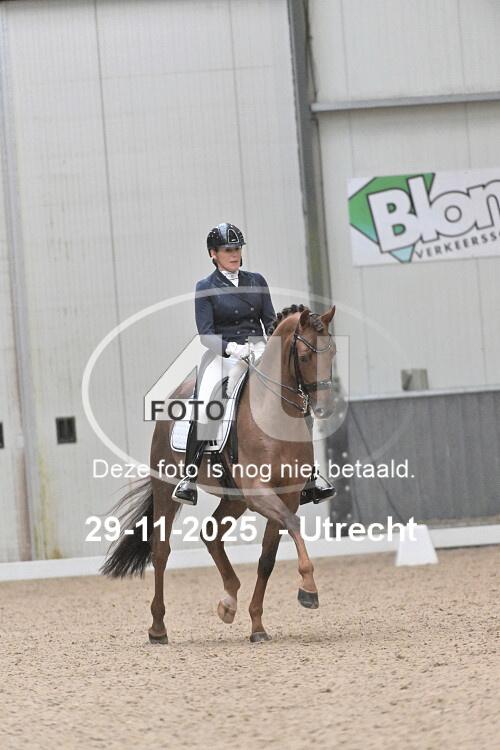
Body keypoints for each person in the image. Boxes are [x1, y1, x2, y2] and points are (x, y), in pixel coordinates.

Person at [172, 222, 335, 506]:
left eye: (237, 249)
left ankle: (310, 474)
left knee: (297, 399)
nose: (234, 254)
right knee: (208, 399)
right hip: (223, 356)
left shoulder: (256, 281)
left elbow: (270, 322)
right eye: (227, 250)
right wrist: (232, 348)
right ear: (213, 254)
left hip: (258, 352)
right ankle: (190, 474)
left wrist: (264, 345)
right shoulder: (206, 287)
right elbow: (206, 335)